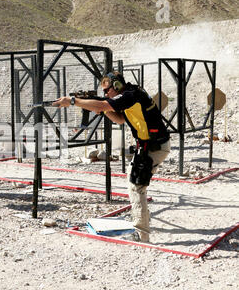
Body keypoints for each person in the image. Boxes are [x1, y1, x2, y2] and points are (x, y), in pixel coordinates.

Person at [53, 72, 170, 242]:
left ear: (116, 86)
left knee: (137, 186)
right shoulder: (130, 94)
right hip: (150, 146)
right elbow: (120, 119)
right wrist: (101, 109)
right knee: (135, 183)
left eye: (107, 90)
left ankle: (141, 233)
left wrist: (73, 101)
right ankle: (143, 220)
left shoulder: (130, 95)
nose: (106, 94)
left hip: (154, 146)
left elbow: (103, 105)